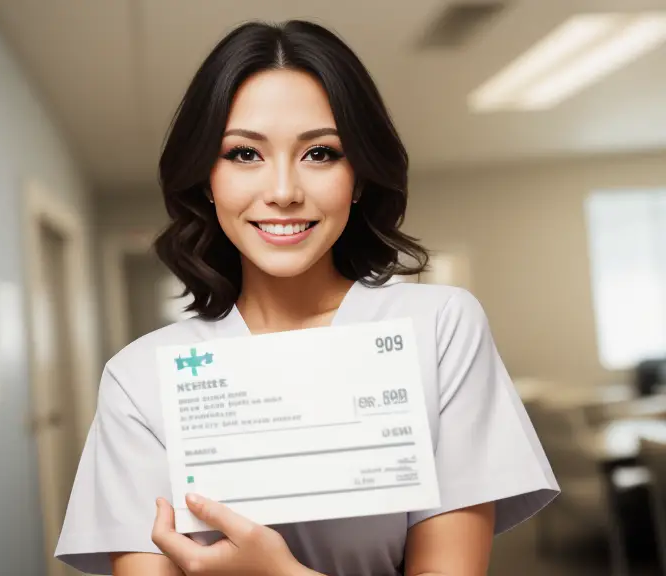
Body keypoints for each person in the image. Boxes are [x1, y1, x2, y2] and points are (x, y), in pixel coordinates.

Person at [55, 19, 559, 576]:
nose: (283, 192)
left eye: (320, 153)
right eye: (245, 154)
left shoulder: (438, 328)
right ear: (206, 178)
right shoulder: (140, 378)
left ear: (360, 176)